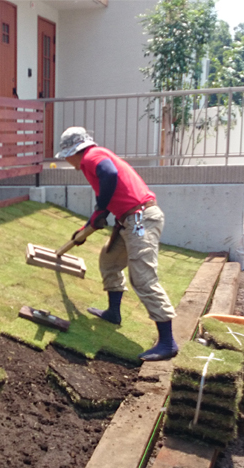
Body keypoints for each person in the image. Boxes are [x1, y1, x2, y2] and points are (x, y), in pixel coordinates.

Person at [55, 127, 178, 361]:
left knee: (142, 276)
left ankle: (167, 342)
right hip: (127, 219)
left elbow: (109, 174)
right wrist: (91, 224)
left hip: (141, 218)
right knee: (109, 259)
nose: (68, 161)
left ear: (73, 151)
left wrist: (100, 210)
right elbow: (115, 189)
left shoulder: (92, 156)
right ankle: (113, 312)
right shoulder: (96, 157)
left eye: (66, 155)